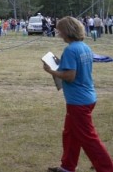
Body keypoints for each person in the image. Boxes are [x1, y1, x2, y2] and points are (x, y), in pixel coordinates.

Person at [43, 16, 113, 172]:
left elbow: (70, 75)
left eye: (59, 30)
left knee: (89, 138)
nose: (58, 33)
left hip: (78, 102)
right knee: (70, 134)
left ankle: (107, 168)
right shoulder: (84, 47)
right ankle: (67, 167)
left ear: (67, 31)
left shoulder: (70, 49)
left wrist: (52, 71)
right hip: (87, 97)